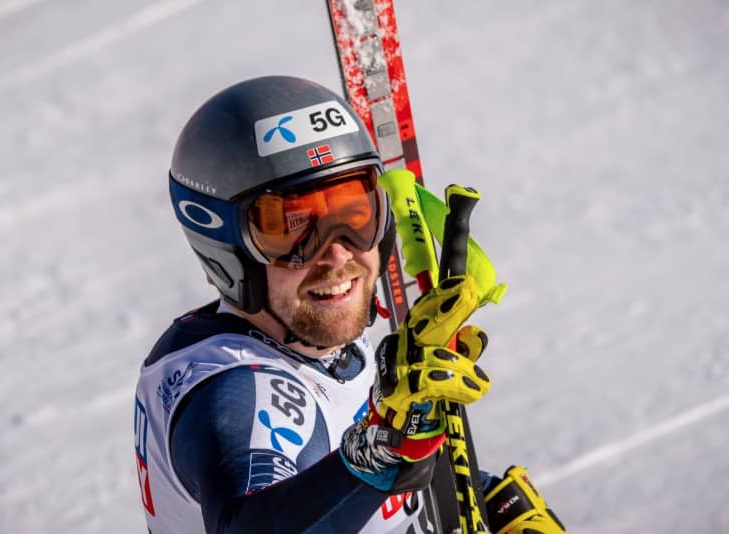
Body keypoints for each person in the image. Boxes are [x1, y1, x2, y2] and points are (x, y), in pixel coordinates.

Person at [133, 75, 566, 534]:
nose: (338, 254)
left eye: (354, 215)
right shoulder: (237, 387)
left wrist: (488, 500)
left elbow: (346, 489)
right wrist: (380, 451)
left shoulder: (315, 353)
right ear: (226, 246)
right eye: (293, 226)